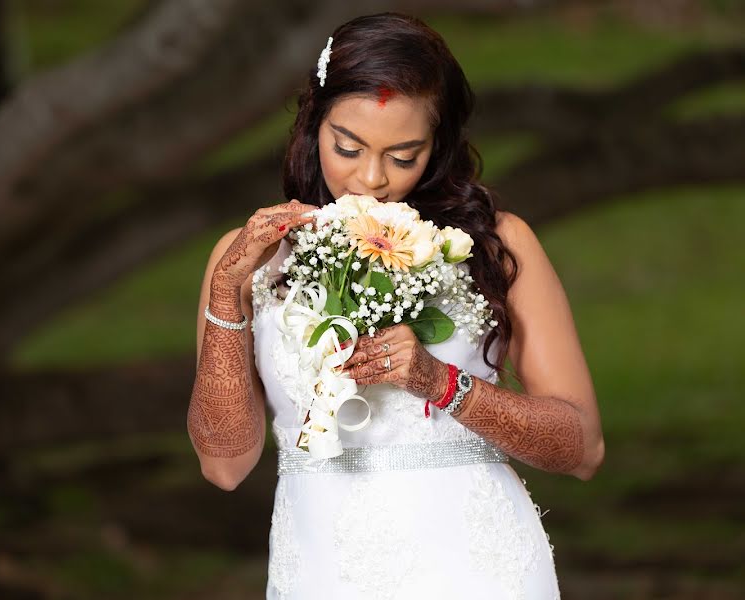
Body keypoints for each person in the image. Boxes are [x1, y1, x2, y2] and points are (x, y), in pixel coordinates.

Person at [188, 12, 604, 600]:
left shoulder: (494, 246)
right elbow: (224, 466)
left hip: (477, 572)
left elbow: (582, 449)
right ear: (313, 126)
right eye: (347, 147)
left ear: (438, 147)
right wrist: (225, 296)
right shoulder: (248, 257)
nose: (370, 178)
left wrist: (440, 382)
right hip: (321, 572)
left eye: (403, 156)